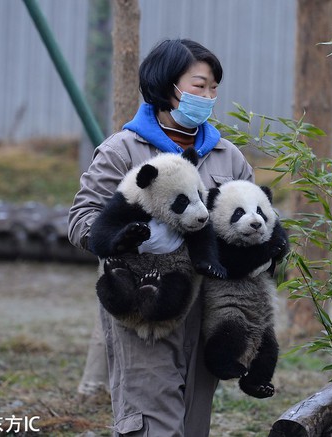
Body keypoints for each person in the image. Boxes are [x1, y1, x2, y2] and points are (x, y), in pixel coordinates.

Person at [68, 38, 254, 436]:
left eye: (214, 88)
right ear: (167, 86)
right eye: (199, 86)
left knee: (192, 423)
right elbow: (82, 219)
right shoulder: (124, 151)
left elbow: (257, 219)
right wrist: (133, 239)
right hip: (142, 306)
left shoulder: (227, 156)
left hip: (204, 308)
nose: (209, 96)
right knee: (151, 422)